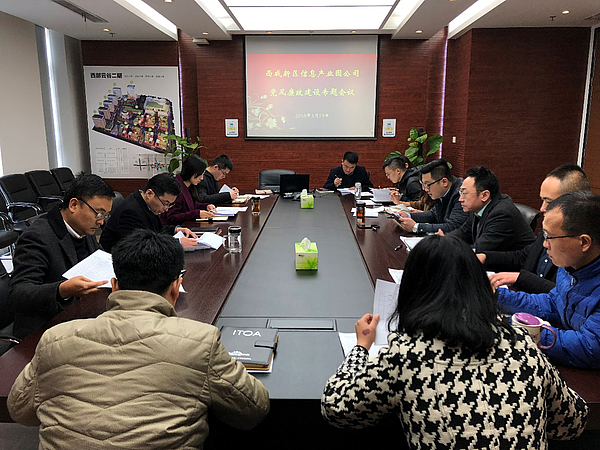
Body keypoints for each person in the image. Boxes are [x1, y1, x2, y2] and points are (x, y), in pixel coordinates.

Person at [8, 229, 270, 448]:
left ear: (114, 285)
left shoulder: (55, 339)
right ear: (176, 287)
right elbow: (253, 409)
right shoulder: (200, 341)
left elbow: (20, 410)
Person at [321, 235, 588, 448]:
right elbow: (573, 423)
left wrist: (360, 348)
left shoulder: (408, 354)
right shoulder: (522, 344)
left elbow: (336, 407)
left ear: (413, 290)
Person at [496, 191, 600, 369]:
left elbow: (589, 347)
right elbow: (553, 303)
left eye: (549, 237)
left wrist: (514, 328)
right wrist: (495, 295)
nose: (545, 244)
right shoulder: (571, 267)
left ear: (584, 242)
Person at [9, 173, 114, 340]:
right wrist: (62, 290)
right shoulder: (37, 236)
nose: (101, 222)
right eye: (99, 214)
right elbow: (19, 294)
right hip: (45, 329)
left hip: (79, 316)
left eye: (105, 216)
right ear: (74, 205)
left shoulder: (83, 228)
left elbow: (98, 259)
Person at [480, 164, 590, 294]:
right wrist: (485, 257)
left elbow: (565, 296)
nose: (542, 208)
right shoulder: (549, 229)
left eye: (549, 202)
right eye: (542, 200)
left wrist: (521, 279)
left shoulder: (579, 246)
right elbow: (523, 257)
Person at [100, 173, 198, 252]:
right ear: (149, 194)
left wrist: (176, 230)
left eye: (170, 204)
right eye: (165, 203)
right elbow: (140, 247)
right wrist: (176, 243)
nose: (166, 209)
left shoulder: (147, 204)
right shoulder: (129, 212)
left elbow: (156, 231)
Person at [445, 166, 535, 252]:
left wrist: (447, 250)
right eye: (460, 192)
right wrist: (443, 241)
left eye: (464, 193)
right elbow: (463, 232)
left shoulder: (502, 214)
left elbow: (480, 249)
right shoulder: (479, 207)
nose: (460, 199)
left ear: (485, 195)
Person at [395, 158, 468, 234]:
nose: (425, 189)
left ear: (444, 182)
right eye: (423, 184)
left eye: (427, 184)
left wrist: (416, 227)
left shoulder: (461, 194)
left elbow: (453, 226)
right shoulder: (441, 192)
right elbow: (434, 214)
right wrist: (409, 216)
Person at [162, 154, 217, 225]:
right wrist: (196, 214)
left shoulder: (189, 186)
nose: (201, 178)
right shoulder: (176, 188)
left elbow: (191, 206)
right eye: (200, 175)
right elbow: (172, 217)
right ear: (191, 172)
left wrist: (206, 206)